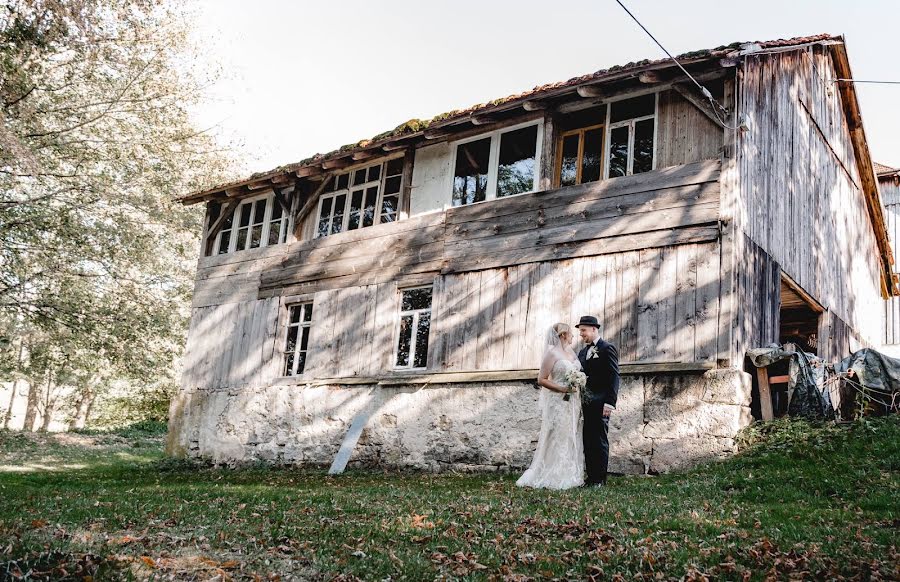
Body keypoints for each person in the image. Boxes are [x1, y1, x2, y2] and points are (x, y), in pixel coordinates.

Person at [516, 323, 586, 489]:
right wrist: (562, 388)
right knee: (557, 434)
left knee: (570, 433)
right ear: (563, 335)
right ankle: (552, 473)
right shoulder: (551, 353)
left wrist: (578, 380)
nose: (573, 336)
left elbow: (576, 372)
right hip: (558, 401)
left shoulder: (570, 352)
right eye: (570, 333)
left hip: (573, 401)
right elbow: (542, 379)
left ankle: (570, 473)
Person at [575, 315, 620, 487]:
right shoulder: (582, 352)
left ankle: (600, 479)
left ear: (594, 329)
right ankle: (591, 478)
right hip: (585, 403)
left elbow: (614, 376)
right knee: (588, 440)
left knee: (599, 440)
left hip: (602, 403)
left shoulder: (607, 348)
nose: (581, 335)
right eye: (580, 332)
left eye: (583, 331)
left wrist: (610, 402)